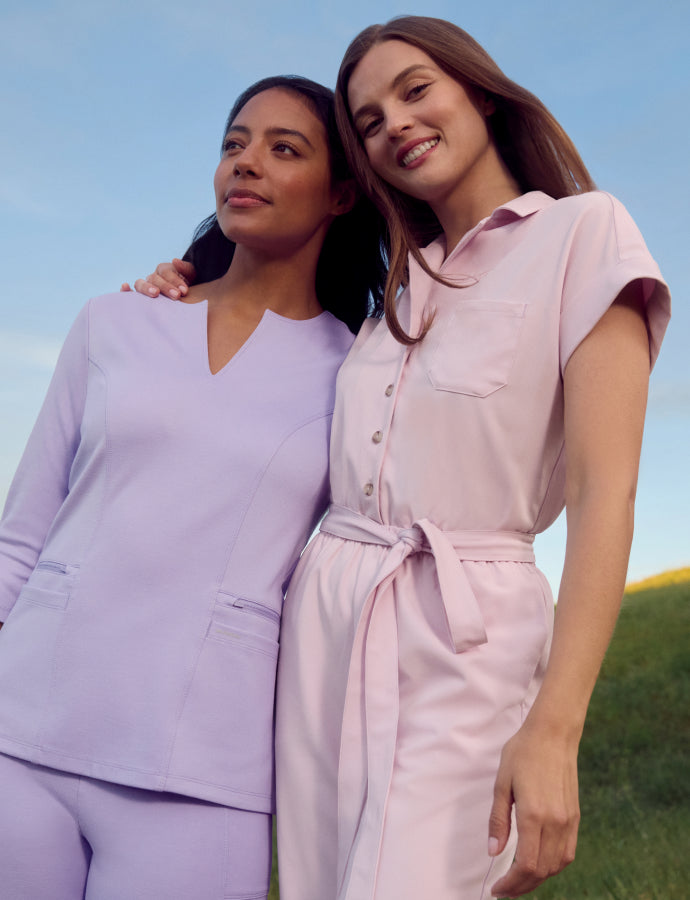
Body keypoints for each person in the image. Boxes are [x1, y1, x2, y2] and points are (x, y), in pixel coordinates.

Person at [133, 17, 670, 900]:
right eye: (369, 120)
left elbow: (606, 493)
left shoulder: (585, 233)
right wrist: (188, 279)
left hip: (468, 629)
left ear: (480, 92)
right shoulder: (391, 284)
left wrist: (555, 728)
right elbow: (273, 343)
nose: (396, 125)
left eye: (415, 90)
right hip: (326, 618)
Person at [0, 75, 385, 899]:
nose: (245, 164)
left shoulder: (359, 371)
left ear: (342, 194)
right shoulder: (115, 320)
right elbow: (22, 532)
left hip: (202, 766)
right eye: (234, 143)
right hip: (21, 730)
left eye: (284, 150)